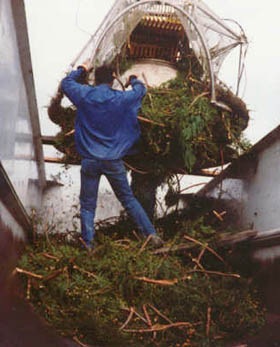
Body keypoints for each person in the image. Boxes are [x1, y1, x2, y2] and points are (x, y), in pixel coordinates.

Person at [61, 61, 163, 249]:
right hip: (113, 161)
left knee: (88, 205)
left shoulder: (84, 94)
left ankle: (88, 243)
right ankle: (151, 236)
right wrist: (134, 80)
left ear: (96, 79)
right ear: (112, 80)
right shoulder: (120, 99)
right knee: (128, 199)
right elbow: (140, 91)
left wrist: (82, 69)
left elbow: (66, 83)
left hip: (90, 160)